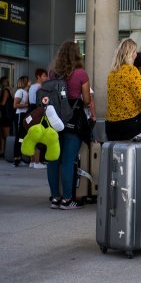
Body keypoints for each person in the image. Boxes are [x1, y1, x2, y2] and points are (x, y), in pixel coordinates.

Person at [46, 40, 92, 210]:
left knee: (53, 160)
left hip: (54, 120)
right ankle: (67, 200)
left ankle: (55, 198)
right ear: (77, 55)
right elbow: (87, 100)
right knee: (68, 160)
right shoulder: (81, 74)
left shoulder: (52, 73)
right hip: (73, 121)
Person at [106, 38, 141, 141]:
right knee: (133, 155)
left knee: (116, 156)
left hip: (111, 124)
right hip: (131, 122)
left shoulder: (112, 73)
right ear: (130, 53)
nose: (136, 54)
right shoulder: (132, 70)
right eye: (134, 51)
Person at [27, 68, 48, 169]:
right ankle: (37, 162)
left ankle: (32, 161)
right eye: (44, 76)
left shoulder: (31, 87)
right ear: (38, 76)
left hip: (29, 111)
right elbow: (42, 101)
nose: (46, 78)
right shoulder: (40, 87)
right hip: (37, 111)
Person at [12, 75, 31, 167]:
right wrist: (27, 105)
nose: (30, 81)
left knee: (22, 136)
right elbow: (15, 105)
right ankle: (16, 158)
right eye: (28, 80)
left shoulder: (26, 92)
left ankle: (20, 157)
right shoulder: (20, 92)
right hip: (20, 114)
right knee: (19, 136)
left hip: (25, 115)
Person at [0, 76, 13, 157]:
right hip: (5, 116)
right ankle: (2, 151)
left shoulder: (5, 91)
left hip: (6, 116)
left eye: (0, 83)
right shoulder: (8, 90)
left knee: (6, 136)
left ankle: (7, 152)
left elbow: (3, 103)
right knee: (1, 134)